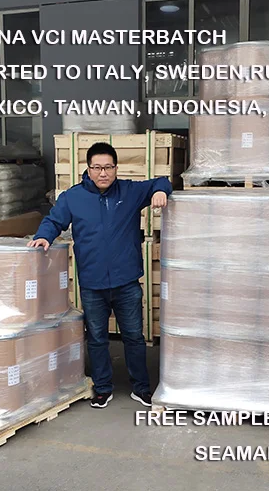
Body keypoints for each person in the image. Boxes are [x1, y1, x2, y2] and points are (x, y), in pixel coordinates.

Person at [28, 142, 172, 409]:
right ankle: (103, 388)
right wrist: (43, 236)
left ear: (116, 168)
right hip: (93, 283)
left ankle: (141, 387)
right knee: (96, 338)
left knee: (134, 337)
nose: (103, 173)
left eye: (108, 167)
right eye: (97, 167)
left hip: (127, 282)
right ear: (88, 169)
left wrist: (161, 191)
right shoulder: (73, 197)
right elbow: (54, 220)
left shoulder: (130, 191)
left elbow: (161, 181)